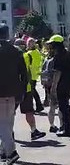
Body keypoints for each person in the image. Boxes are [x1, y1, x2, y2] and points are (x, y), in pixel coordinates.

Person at [0, 24, 27, 164]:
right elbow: (24, 73)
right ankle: (4, 152)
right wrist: (21, 91)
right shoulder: (16, 51)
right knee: (8, 124)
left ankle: (11, 152)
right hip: (13, 94)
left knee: (3, 126)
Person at [13, 39, 47, 141]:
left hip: (12, 89)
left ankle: (9, 132)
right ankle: (33, 131)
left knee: (9, 113)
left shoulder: (9, 57)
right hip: (26, 88)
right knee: (29, 111)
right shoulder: (26, 56)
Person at [48, 35, 70, 137]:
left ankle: (67, 129)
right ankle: (68, 127)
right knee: (65, 107)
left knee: (63, 108)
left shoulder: (58, 56)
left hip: (62, 85)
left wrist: (54, 86)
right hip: (69, 84)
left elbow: (57, 73)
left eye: (51, 44)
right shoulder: (68, 54)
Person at [40, 43, 63, 133]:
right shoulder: (55, 61)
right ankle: (61, 125)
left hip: (48, 86)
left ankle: (52, 125)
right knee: (60, 107)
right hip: (56, 85)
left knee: (51, 107)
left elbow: (42, 72)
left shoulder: (46, 60)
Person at [26, 38, 44, 112]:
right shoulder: (37, 52)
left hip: (30, 74)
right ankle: (38, 105)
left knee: (31, 92)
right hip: (35, 74)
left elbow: (27, 64)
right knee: (33, 91)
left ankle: (37, 106)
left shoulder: (29, 53)